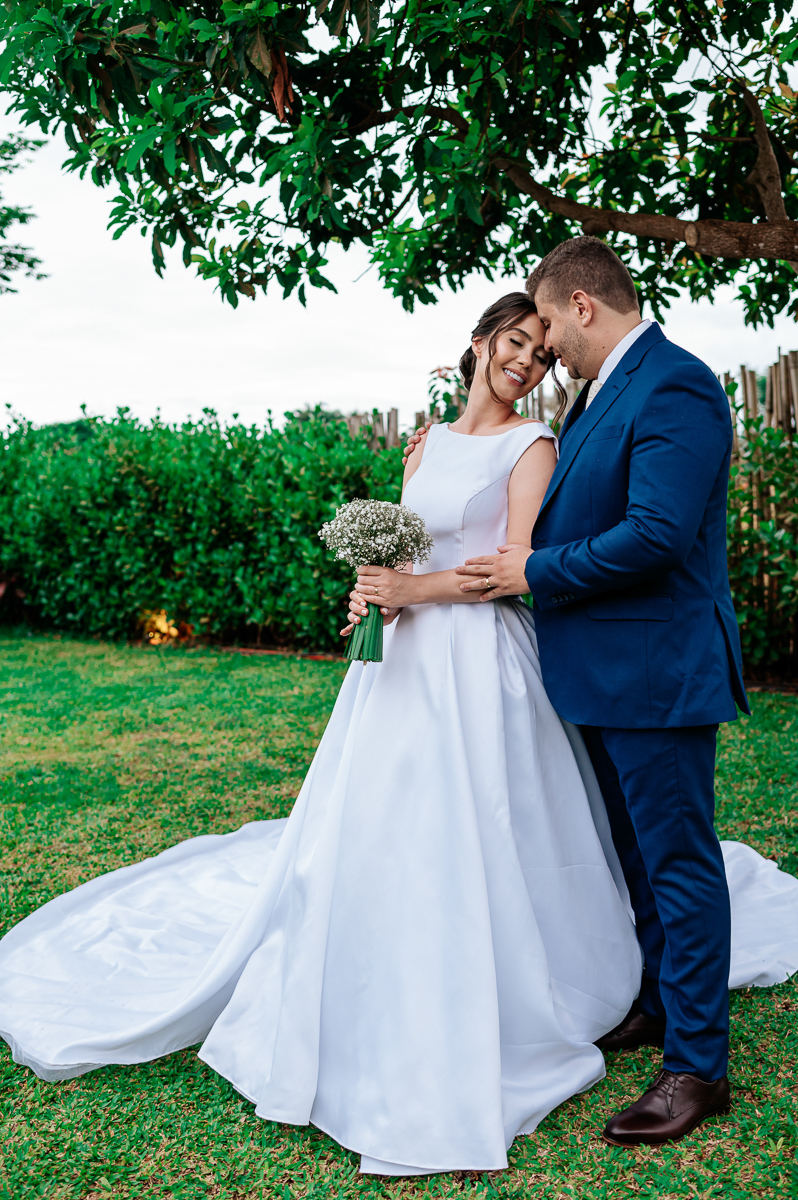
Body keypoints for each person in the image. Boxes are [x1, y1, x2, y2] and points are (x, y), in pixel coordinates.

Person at [1, 290, 796, 1174]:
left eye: (541, 347)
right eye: (516, 342)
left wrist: (426, 588)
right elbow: (420, 547)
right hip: (429, 665)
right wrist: (377, 592)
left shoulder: (578, 422)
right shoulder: (456, 434)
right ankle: (639, 996)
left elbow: (564, 553)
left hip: (540, 663)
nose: (531, 360)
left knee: (608, 846)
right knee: (445, 833)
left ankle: (693, 1062)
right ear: (479, 343)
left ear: (575, 310)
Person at [416, 235, 764, 1145]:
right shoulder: (601, 392)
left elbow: (656, 535)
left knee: (680, 863)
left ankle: (697, 1067)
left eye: (548, 326)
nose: (546, 349)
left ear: (580, 305)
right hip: (601, 675)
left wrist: (532, 570)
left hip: (657, 673)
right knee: (636, 860)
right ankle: (656, 1002)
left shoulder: (676, 384)